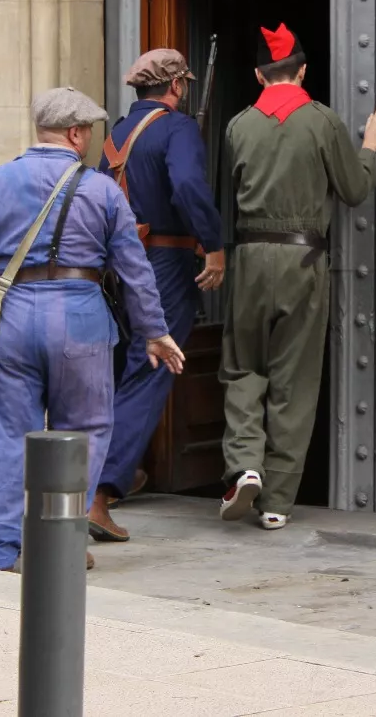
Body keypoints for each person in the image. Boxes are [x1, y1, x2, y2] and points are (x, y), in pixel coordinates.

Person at [0, 86, 184, 572]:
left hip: (13, 318)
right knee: (85, 431)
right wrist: (155, 332)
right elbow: (135, 270)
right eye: (90, 133)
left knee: (5, 437)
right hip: (80, 320)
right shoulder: (102, 191)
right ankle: (60, 542)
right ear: (75, 133)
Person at [216, 23, 376, 529]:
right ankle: (276, 502)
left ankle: (244, 466)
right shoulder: (322, 122)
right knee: (293, 382)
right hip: (303, 260)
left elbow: (224, 196)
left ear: (258, 75)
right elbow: (353, 189)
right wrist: (370, 145)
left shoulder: (238, 126)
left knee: (242, 368)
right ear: (303, 70)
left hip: (251, 257)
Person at [87, 49, 226, 542]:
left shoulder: (117, 133)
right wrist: (213, 246)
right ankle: (99, 491)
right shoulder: (178, 128)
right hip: (164, 262)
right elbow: (188, 184)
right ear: (175, 86)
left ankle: (120, 472)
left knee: (124, 369)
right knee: (150, 370)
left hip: (118, 267)